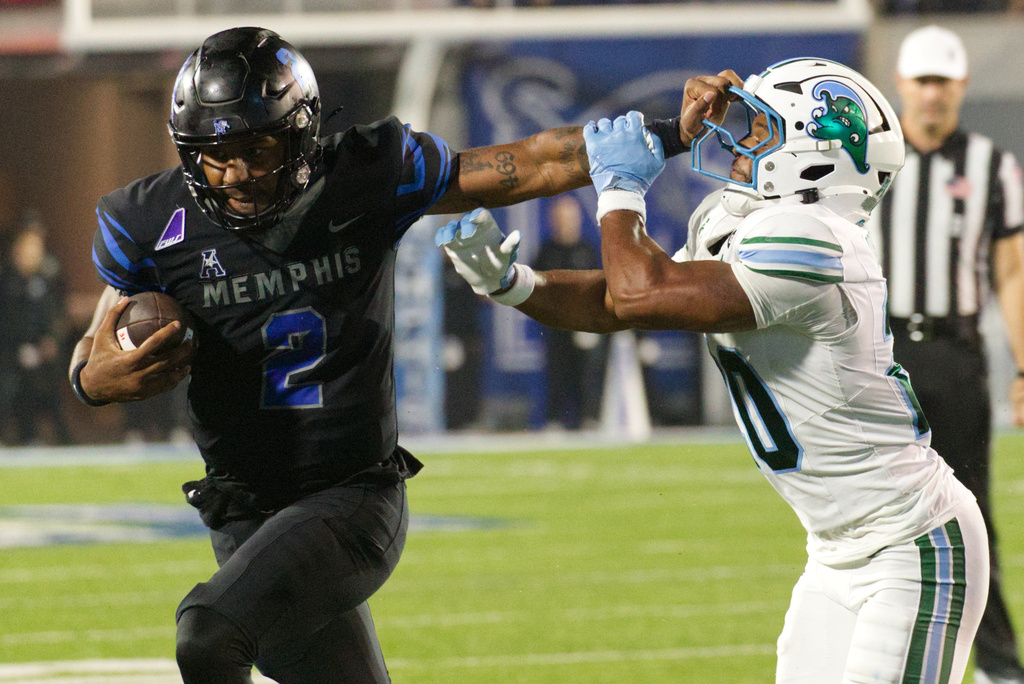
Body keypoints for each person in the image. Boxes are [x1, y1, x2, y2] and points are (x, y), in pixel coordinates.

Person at [66, 26, 701, 684]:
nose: (237, 174)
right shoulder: (146, 223)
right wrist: (94, 379)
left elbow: (531, 162)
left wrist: (673, 133)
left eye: (256, 148)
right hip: (243, 510)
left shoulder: (365, 174)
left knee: (208, 634)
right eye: (214, 155)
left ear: (300, 132)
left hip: (351, 497)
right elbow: (96, 346)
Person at [439, 58, 991, 683]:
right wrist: (513, 285)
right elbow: (621, 301)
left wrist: (619, 190)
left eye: (759, 130)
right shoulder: (745, 220)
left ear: (813, 156)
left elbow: (642, 293)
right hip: (835, 551)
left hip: (910, 546)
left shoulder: (817, 240)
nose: (735, 139)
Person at [865, 25, 1024, 684]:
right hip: (878, 354)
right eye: (922, 81)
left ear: (960, 86)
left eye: (943, 82)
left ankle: (998, 666)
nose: (932, 95)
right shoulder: (867, 157)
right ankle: (872, 653)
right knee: (869, 513)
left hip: (957, 354)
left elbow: (1012, 273)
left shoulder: (992, 164)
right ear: (902, 84)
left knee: (972, 513)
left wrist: (1023, 365)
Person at [0, 210, 71, 445]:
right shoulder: (7, 281)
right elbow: (7, 322)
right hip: (11, 352)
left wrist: (51, 341)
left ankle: (62, 438)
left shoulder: (48, 278)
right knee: (13, 386)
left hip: (43, 350)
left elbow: (57, 314)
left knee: (52, 383)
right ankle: (22, 434)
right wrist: (17, 349)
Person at [533, 195, 602, 429]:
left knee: (586, 373)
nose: (566, 223)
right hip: (555, 324)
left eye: (570, 218)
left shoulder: (587, 249)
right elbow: (533, 285)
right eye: (561, 218)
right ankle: (554, 420)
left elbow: (598, 286)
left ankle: (588, 419)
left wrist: (592, 321)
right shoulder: (546, 250)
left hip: (582, 324)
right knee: (556, 373)